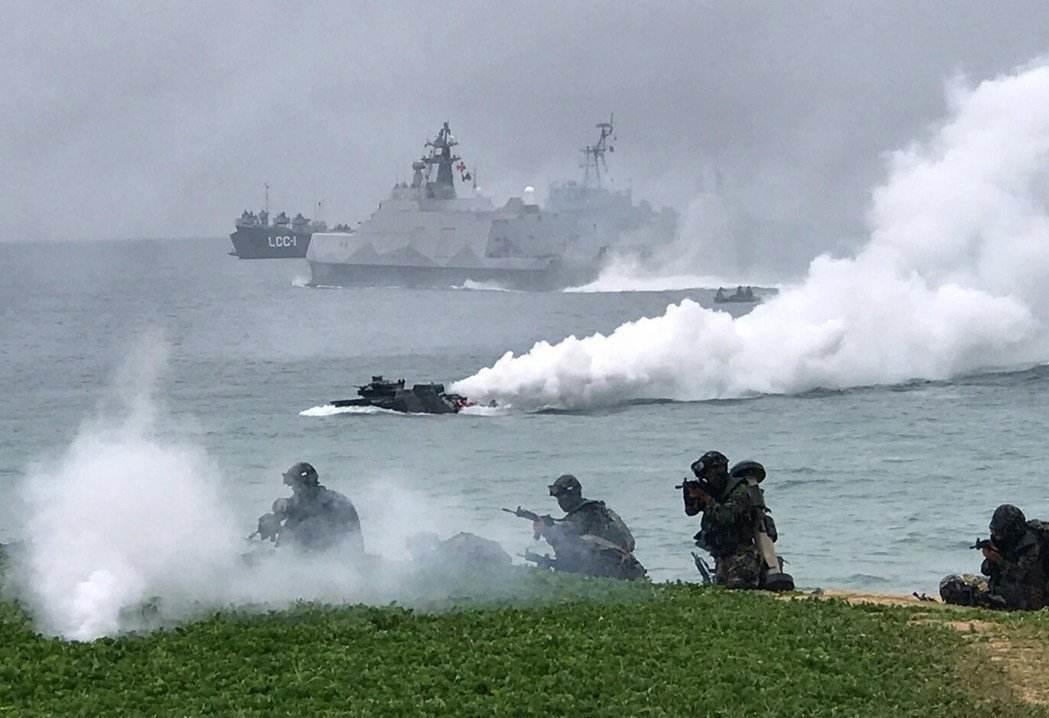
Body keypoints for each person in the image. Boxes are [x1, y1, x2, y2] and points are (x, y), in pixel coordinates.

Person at [681, 450, 792, 590]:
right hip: (722, 556)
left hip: (742, 556)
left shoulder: (739, 491)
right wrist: (691, 498)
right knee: (721, 590)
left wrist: (706, 499)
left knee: (739, 588)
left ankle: (764, 572)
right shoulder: (716, 492)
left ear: (718, 472)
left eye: (709, 475)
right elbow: (691, 512)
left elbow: (726, 517)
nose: (708, 479)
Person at [528, 474, 645, 580]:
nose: (560, 502)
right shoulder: (589, 510)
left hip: (614, 569)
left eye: (562, 497)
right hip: (616, 566)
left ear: (572, 494)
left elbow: (566, 535)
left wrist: (546, 530)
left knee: (569, 542)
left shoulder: (587, 513)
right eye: (558, 498)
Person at [939, 504, 1048, 610]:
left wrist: (998, 559)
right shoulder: (1011, 541)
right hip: (1017, 589)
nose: (997, 537)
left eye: (999, 534)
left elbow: (1020, 575)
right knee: (951, 585)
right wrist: (993, 556)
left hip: (1034, 594)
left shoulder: (1033, 544)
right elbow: (987, 570)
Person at [254, 462, 364, 554]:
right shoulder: (307, 499)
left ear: (305, 485)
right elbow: (288, 506)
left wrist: (281, 531)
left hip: (333, 559)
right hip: (315, 557)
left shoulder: (331, 503)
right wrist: (277, 512)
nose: (294, 490)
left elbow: (309, 533)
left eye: (295, 486)